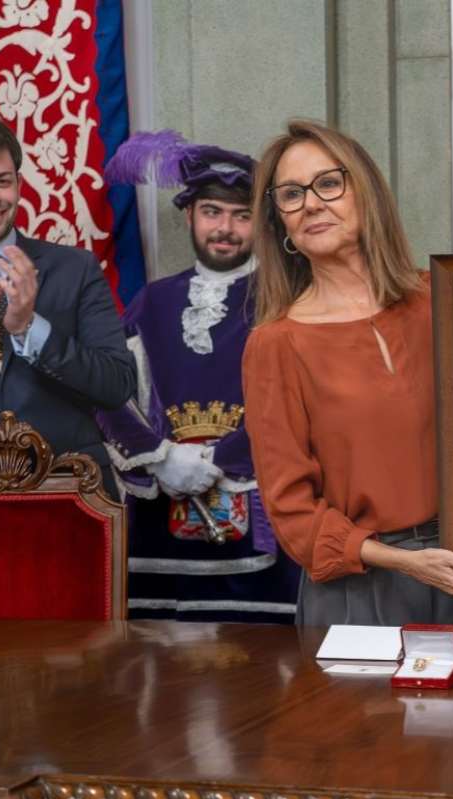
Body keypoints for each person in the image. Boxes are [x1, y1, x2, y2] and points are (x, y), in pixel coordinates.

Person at [242, 119, 453, 627]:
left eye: (328, 183)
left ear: (365, 192)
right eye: (291, 195)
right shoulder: (276, 344)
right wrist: (407, 563)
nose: (312, 204)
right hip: (363, 593)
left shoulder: (445, 299)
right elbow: (292, 512)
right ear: (282, 226)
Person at [96, 132, 301, 623]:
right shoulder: (152, 301)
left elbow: (299, 405)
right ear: (189, 214)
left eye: (241, 215)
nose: (225, 228)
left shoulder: (285, 301)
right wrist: (160, 457)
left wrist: (219, 458)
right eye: (212, 212)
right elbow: (108, 395)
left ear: (263, 224)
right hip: (157, 522)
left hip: (260, 521)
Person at [0, 117, 134, 498]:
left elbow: (116, 385)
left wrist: (28, 328)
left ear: (20, 185)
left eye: (2, 181)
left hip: (70, 496)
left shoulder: (76, 268)